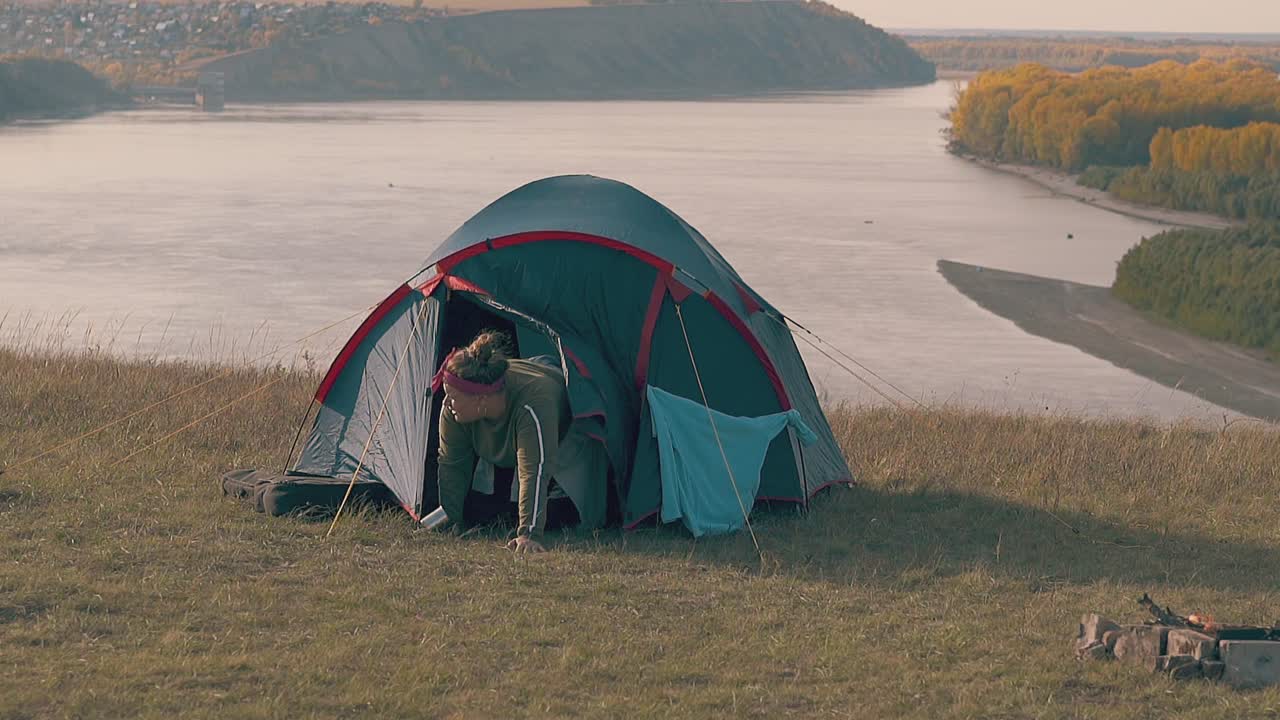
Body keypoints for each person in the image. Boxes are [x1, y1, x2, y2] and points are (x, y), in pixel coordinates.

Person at [432, 330, 606, 553]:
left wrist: (528, 534)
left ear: (481, 398)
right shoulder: (455, 409)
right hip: (506, 430)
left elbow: (534, 470)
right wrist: (450, 520)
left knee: (561, 515)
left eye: (453, 397)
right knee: (487, 511)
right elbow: (452, 463)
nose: (446, 403)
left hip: (562, 429)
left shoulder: (534, 405)